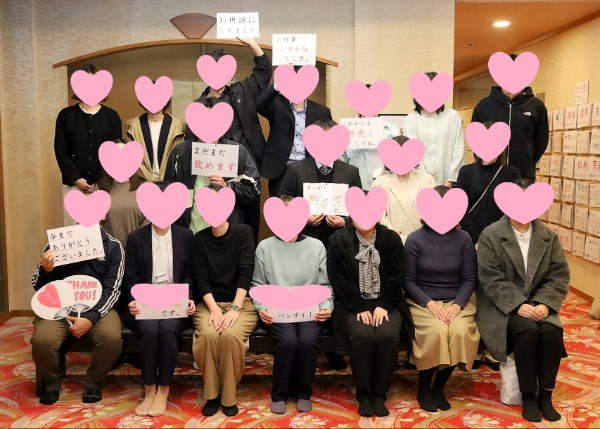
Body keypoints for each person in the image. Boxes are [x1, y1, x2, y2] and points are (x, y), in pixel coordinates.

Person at [477, 178, 569, 422]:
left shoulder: (548, 237)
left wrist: (544, 303)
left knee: (551, 331)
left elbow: (559, 275)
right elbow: (490, 278)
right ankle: (528, 396)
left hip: (540, 304)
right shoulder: (491, 235)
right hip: (502, 306)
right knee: (527, 330)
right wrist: (518, 304)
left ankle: (545, 396)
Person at [251, 196, 334, 414]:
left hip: (309, 310)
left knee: (307, 340)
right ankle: (279, 394)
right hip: (278, 311)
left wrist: (327, 306)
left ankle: (303, 392)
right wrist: (261, 307)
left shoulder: (316, 246)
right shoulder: (265, 247)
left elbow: (325, 284)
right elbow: (257, 283)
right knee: (287, 341)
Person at [185, 37, 272, 243]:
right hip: (211, 173)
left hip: (243, 170)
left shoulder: (242, 91)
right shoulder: (198, 106)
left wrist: (253, 44)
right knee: (212, 227)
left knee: (247, 226)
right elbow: (191, 145)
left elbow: (263, 73)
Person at [403, 185, 479, 413]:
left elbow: (469, 278)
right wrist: (430, 303)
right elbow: (408, 281)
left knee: (459, 331)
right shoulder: (415, 239)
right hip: (423, 301)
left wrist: (457, 305)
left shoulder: (464, 239)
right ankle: (424, 388)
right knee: (436, 331)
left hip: (457, 301)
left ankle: (439, 388)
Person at [30, 226, 124, 405]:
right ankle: (52, 382)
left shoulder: (113, 246)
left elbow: (113, 289)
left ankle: (94, 380)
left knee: (111, 338)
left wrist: (91, 318)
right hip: (61, 306)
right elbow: (38, 286)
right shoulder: (56, 243)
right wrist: (46, 270)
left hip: (98, 306)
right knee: (42, 340)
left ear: (103, 214)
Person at [327, 219, 409, 417]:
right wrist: (359, 306)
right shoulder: (339, 240)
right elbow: (338, 279)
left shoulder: (391, 238)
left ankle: (379, 394)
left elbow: (397, 276)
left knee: (387, 335)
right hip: (354, 303)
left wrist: (384, 305)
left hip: (386, 302)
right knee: (362, 335)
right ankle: (364, 395)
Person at [191, 189, 258, 417]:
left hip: (241, 302)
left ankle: (228, 396)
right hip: (209, 303)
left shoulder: (243, 233)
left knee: (230, 335)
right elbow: (200, 278)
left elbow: (246, 271)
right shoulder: (198, 239)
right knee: (208, 335)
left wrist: (235, 308)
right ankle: (212, 395)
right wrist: (214, 310)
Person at [122, 210, 195, 417]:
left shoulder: (185, 236)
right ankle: (149, 389)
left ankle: (163, 389)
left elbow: (190, 274)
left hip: (175, 301)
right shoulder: (136, 238)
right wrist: (133, 300)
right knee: (150, 328)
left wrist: (188, 297)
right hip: (146, 302)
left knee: (168, 329)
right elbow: (130, 278)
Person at [165, 96, 260, 235]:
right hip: (190, 230)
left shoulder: (238, 152)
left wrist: (227, 186)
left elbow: (254, 190)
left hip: (226, 231)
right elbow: (168, 190)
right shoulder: (181, 152)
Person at [54, 63, 122, 225]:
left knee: (102, 229)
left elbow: (115, 151)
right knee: (74, 230)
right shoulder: (66, 115)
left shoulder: (111, 116)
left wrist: (103, 180)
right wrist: (76, 178)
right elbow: (61, 150)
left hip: (104, 184)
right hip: (73, 185)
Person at [279, 118, 362, 249]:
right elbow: (282, 202)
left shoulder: (351, 172)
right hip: (303, 241)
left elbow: (359, 208)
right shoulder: (296, 170)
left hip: (341, 242)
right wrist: (302, 218)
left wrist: (344, 221)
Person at [471, 57, 549, 180]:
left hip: (523, 176)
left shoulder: (536, 106)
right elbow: (476, 141)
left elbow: (541, 141)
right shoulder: (484, 106)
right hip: (490, 176)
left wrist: (527, 161)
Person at [256, 80, 332, 197]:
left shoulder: (321, 111)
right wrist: (278, 84)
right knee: (281, 207)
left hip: (309, 170)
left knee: (309, 207)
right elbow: (260, 105)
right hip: (281, 170)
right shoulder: (277, 104)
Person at [455, 125, 521, 248]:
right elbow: (459, 209)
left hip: (502, 242)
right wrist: (476, 240)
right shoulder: (466, 172)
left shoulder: (512, 173)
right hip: (471, 241)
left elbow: (514, 211)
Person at [404, 72, 464, 187]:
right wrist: (426, 182)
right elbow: (413, 153)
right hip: (419, 183)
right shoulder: (411, 119)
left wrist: (450, 181)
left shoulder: (453, 116)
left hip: (447, 183)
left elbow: (459, 150)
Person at [372, 135, 436, 243]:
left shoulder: (428, 180)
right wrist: (398, 239)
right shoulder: (380, 183)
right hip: (392, 243)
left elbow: (433, 214)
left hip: (424, 243)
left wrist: (419, 240)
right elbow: (380, 218)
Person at [97, 140, 148, 247]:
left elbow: (148, 225)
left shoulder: (144, 187)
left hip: (137, 249)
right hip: (109, 251)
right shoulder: (100, 188)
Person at [125, 97, 185, 182]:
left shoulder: (177, 126)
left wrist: (164, 180)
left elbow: (178, 157)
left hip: (170, 180)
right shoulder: (134, 125)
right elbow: (132, 157)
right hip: (142, 181)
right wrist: (150, 179)